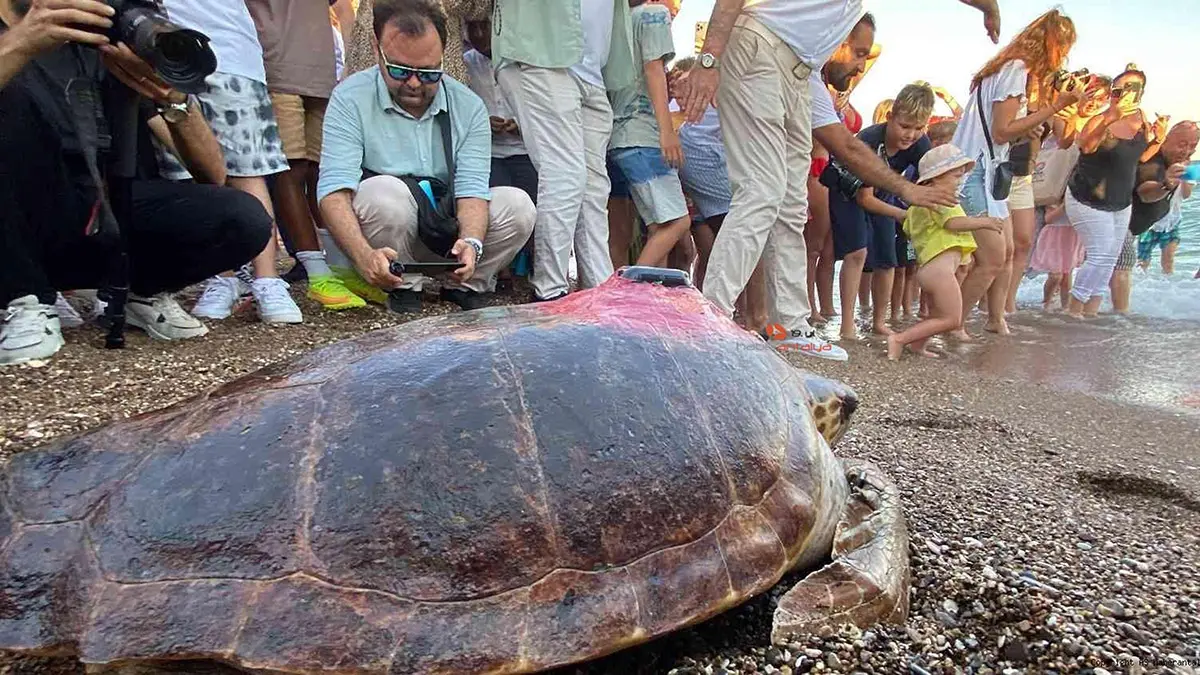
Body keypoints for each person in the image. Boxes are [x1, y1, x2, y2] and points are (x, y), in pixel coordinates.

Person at [680, 0, 1000, 359]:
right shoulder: (791, 27)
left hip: (791, 69)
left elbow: (846, 145)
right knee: (761, 191)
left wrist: (906, 189)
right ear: (839, 38)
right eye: (860, 53)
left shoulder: (811, 72)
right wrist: (709, 59)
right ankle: (708, 320)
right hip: (758, 48)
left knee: (790, 206)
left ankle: (790, 325)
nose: (861, 66)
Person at [0, 0, 273, 365]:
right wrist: (21, 44)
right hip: (21, 213)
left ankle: (136, 292)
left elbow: (212, 172)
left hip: (101, 212)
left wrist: (171, 96)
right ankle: (26, 297)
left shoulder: (96, 43)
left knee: (243, 219)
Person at [315, 0, 535, 314]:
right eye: (401, 71)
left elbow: (473, 189)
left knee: (518, 205)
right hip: (387, 229)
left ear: (443, 57)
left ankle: (465, 282)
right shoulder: (350, 98)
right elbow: (333, 192)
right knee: (383, 194)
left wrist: (471, 241)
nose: (415, 83)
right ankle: (402, 285)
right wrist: (364, 257)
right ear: (378, 52)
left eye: (429, 73)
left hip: (445, 225)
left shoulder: (468, 105)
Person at [156, 0, 304, 325]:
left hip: (230, 52)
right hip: (162, 53)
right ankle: (221, 277)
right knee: (188, 172)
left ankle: (267, 279)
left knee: (248, 169)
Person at [492, 0, 638, 302]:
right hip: (538, 54)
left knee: (594, 189)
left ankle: (598, 294)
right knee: (566, 174)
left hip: (593, 70)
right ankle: (549, 292)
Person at [950, 8, 1082, 338]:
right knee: (993, 258)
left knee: (1007, 250)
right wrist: (1053, 107)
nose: (1063, 58)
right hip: (975, 171)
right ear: (1052, 44)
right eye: (1063, 49)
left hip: (987, 171)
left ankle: (993, 319)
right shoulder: (1015, 70)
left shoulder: (1005, 69)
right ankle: (953, 324)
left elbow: (1000, 132)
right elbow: (1001, 131)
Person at [245, 0, 363, 311]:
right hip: (275, 62)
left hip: (322, 67)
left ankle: (340, 266)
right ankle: (316, 272)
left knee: (323, 171)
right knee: (290, 168)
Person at [826, 82, 935, 339]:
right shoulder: (869, 140)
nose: (910, 134)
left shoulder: (921, 145)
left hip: (884, 192)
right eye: (905, 126)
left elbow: (929, 180)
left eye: (918, 128)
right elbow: (865, 199)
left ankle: (879, 321)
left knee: (887, 258)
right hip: (847, 189)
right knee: (857, 252)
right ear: (890, 118)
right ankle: (847, 324)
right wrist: (903, 215)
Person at [890, 145, 1005, 361]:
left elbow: (911, 227)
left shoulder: (920, 204)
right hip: (939, 272)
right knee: (952, 319)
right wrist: (985, 222)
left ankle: (917, 345)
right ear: (935, 179)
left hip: (931, 270)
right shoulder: (942, 198)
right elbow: (953, 223)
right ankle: (899, 339)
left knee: (938, 314)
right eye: (955, 176)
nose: (960, 181)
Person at [1064, 66, 1161, 318]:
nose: (1123, 95)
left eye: (1131, 89)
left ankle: (1091, 313)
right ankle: (1074, 311)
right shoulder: (1100, 119)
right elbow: (1085, 146)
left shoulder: (1141, 121)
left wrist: (1159, 140)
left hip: (1120, 201)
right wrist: (1109, 117)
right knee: (1099, 253)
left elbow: (1138, 158)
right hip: (1087, 197)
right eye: (1119, 90)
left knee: (1110, 257)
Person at [607, 0, 691, 269]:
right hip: (641, 134)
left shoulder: (616, 19)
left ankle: (625, 300)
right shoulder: (654, 14)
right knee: (677, 222)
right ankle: (627, 292)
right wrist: (667, 132)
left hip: (611, 135)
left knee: (626, 234)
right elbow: (652, 68)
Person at [461, 19, 538, 205]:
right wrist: (483, 123)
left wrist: (521, 125)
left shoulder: (526, 61)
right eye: (472, 28)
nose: (479, 34)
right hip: (489, 156)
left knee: (534, 213)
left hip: (526, 152)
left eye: (485, 26)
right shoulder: (464, 65)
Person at [1133, 121, 1198, 275]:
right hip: (1142, 224)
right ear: (1167, 139)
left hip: (1170, 221)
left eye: (1192, 146)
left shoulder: (1183, 164)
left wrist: (1185, 178)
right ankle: (1145, 289)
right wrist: (1167, 183)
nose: (1187, 151)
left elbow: (1186, 195)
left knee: (1168, 259)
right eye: (1182, 145)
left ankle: (1166, 289)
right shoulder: (1153, 159)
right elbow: (1144, 193)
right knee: (1141, 262)